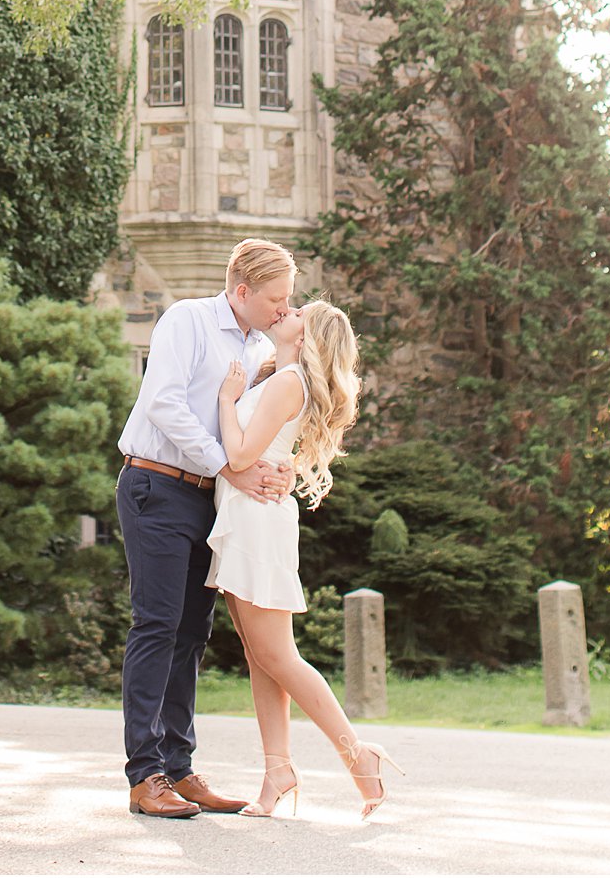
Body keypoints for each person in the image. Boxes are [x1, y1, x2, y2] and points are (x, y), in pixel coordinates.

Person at [115, 237, 299, 819]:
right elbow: (163, 404)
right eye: (275, 298)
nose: (283, 309)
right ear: (241, 291)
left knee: (192, 633)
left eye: (288, 299)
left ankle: (179, 768)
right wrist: (230, 465)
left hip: (211, 499)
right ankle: (145, 776)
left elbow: (255, 430)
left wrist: (277, 468)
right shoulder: (186, 320)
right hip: (156, 485)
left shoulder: (264, 347)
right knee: (158, 624)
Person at [209, 297, 402, 820]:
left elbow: (241, 455)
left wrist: (227, 400)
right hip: (251, 515)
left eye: (297, 311)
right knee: (261, 655)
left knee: (277, 656)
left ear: (307, 334)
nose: (285, 310)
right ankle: (278, 770)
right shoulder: (282, 379)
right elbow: (265, 453)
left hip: (256, 521)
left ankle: (359, 757)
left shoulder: (288, 382)